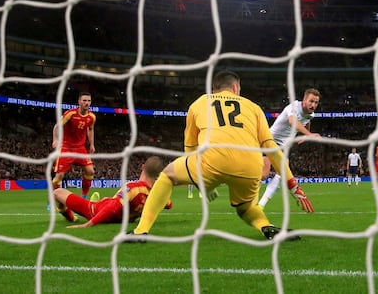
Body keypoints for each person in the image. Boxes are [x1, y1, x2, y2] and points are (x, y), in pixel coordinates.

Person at [129, 71, 314, 241]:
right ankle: (266, 226)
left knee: (167, 176)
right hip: (250, 166)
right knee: (246, 208)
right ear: (235, 87)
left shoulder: (199, 103)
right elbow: (272, 149)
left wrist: (201, 182)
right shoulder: (254, 107)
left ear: (214, 88)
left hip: (212, 161)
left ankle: (141, 231)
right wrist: (293, 186)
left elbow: (190, 148)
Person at [55, 156, 174, 227]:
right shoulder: (156, 194)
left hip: (96, 211)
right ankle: (100, 200)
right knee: (109, 200)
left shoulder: (133, 187)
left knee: (57, 192)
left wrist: (88, 224)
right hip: (122, 216)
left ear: (143, 167)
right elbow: (169, 204)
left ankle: (70, 218)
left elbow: (112, 208)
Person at [257, 88, 321, 208]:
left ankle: (260, 205)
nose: (313, 105)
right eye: (311, 101)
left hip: (283, 146)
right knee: (264, 175)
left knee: (282, 173)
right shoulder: (294, 107)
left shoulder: (311, 114)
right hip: (270, 140)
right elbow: (293, 121)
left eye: (316, 102)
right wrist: (309, 134)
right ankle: (249, 198)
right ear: (304, 100)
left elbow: (308, 120)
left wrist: (306, 135)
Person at [51, 92, 96, 204]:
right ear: (79, 101)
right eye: (84, 100)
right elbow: (57, 126)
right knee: (59, 176)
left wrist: (91, 144)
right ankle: (53, 200)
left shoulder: (91, 117)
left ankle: (83, 197)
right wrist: (55, 139)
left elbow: (90, 129)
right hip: (66, 148)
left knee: (90, 171)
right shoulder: (70, 114)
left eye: (89, 101)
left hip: (80, 148)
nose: (87, 103)